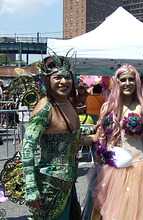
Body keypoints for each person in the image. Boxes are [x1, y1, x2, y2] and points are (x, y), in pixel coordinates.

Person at [82, 64, 143, 220]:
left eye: (131, 79)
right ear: (116, 82)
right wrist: (76, 140)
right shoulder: (107, 107)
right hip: (113, 171)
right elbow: (99, 137)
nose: (127, 83)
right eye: (123, 79)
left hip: (139, 170)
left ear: (137, 82)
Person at [22, 55, 82, 219]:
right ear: (47, 80)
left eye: (67, 77)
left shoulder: (68, 102)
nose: (64, 82)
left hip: (69, 183)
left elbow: (71, 139)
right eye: (58, 77)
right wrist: (30, 188)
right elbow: (27, 148)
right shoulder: (44, 108)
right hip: (49, 185)